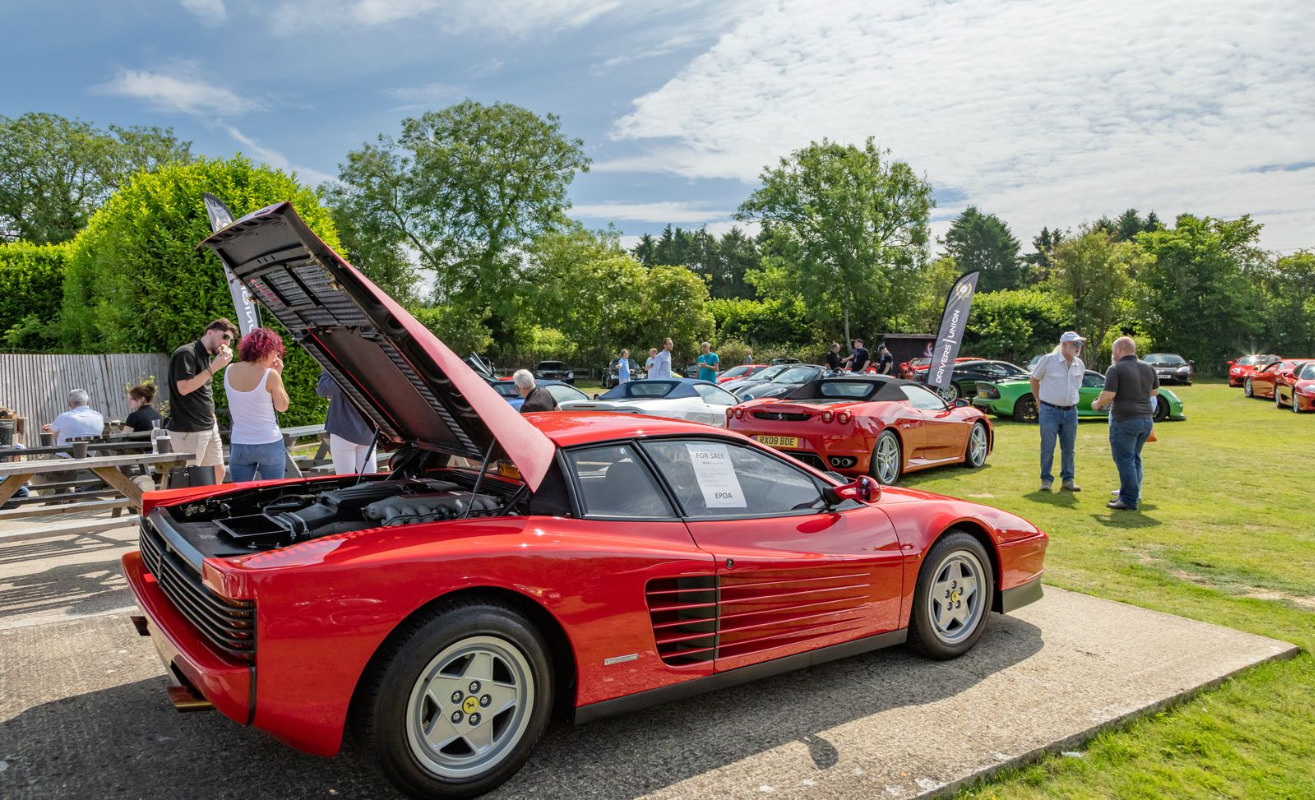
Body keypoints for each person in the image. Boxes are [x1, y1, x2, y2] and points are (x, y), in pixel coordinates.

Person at [1092, 336, 1159, 510]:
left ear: (1119, 350)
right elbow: (1154, 392)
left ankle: (1128, 499)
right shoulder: (1148, 367)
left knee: (1125, 459)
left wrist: (1096, 404)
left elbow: (1108, 395)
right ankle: (1133, 494)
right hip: (1146, 419)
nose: (1113, 354)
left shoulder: (1116, 368)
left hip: (1125, 419)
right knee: (1134, 457)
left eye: (1113, 351)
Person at [167, 318, 237, 483]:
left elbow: (202, 390)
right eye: (225, 337)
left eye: (230, 340)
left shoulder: (207, 355)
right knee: (189, 478)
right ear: (210, 332)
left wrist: (211, 414)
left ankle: (212, 500)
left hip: (208, 425)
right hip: (189, 428)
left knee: (218, 471)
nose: (227, 343)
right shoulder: (186, 353)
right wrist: (214, 368)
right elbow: (184, 388)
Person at [223, 327, 290, 483]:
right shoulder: (270, 374)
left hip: (240, 443)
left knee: (241, 493)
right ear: (268, 350)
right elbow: (282, 406)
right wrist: (278, 375)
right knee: (272, 492)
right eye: (276, 352)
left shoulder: (230, 370)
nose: (276, 356)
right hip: (268, 442)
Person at [1031, 331, 1086, 492]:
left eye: (1080, 343)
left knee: (1069, 448)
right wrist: (1038, 400)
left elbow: (1077, 386)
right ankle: (1046, 480)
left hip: (1071, 411)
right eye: (1075, 343)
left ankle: (1068, 479)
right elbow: (1034, 379)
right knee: (1048, 446)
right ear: (1064, 345)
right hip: (1049, 410)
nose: (1079, 346)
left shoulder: (1079, 364)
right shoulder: (1048, 360)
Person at [316, 370, 377, 475]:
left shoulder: (373, 366)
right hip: (343, 432)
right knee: (347, 480)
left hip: (366, 433)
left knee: (370, 481)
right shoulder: (335, 364)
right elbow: (322, 390)